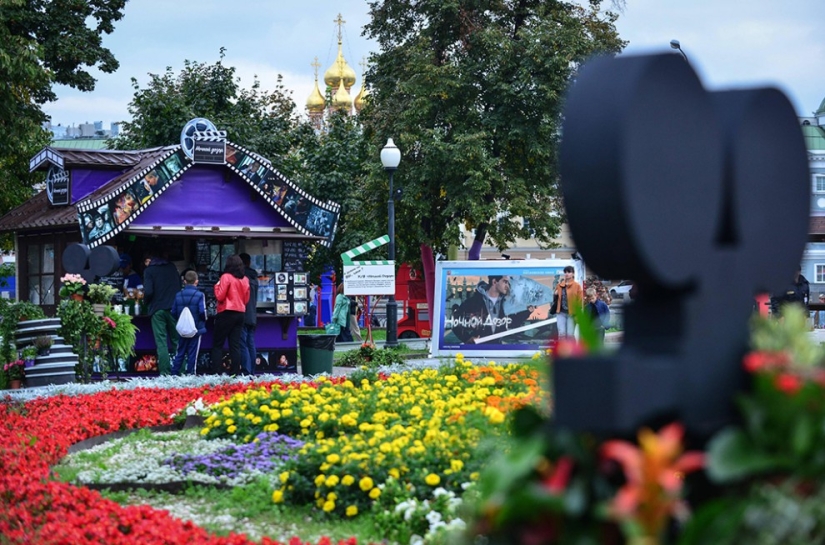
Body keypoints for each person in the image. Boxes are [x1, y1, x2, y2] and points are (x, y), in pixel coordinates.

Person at [450, 275, 534, 343]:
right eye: (505, 282)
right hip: (478, 349)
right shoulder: (473, 301)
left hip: (498, 349)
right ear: (494, 282)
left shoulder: (506, 303)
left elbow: (512, 323)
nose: (507, 286)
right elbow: (455, 321)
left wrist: (527, 312)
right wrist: (467, 338)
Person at [143, 251, 181, 375]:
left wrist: (146, 303)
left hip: (157, 309)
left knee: (161, 342)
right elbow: (179, 286)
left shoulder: (149, 271)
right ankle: (181, 371)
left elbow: (148, 292)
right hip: (173, 309)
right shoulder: (172, 267)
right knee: (177, 341)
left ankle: (165, 373)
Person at [211, 255, 250, 375]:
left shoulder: (225, 277)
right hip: (240, 313)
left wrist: (216, 286)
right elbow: (246, 299)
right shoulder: (245, 279)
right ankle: (235, 373)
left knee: (218, 344)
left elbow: (220, 296)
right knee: (235, 345)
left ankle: (216, 373)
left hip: (226, 312)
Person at [170, 270, 207, 375]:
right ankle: (191, 375)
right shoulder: (200, 295)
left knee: (180, 353)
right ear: (196, 281)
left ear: (184, 281)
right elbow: (202, 312)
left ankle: (174, 374)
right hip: (196, 329)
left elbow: (173, 312)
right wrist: (202, 322)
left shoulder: (178, 295)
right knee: (193, 355)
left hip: (182, 330)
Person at [238, 253, 259, 376]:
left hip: (243, 314)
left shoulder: (241, 278)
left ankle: (246, 370)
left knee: (243, 344)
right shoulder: (254, 278)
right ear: (249, 262)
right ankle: (252, 371)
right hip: (252, 315)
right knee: (251, 343)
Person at [553, 266, 583, 340]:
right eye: (565, 272)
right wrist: (555, 294)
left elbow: (580, 300)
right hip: (561, 312)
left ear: (573, 274)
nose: (567, 274)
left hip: (571, 313)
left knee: (570, 334)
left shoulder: (577, 286)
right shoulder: (560, 285)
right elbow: (555, 300)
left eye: (569, 272)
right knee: (561, 333)